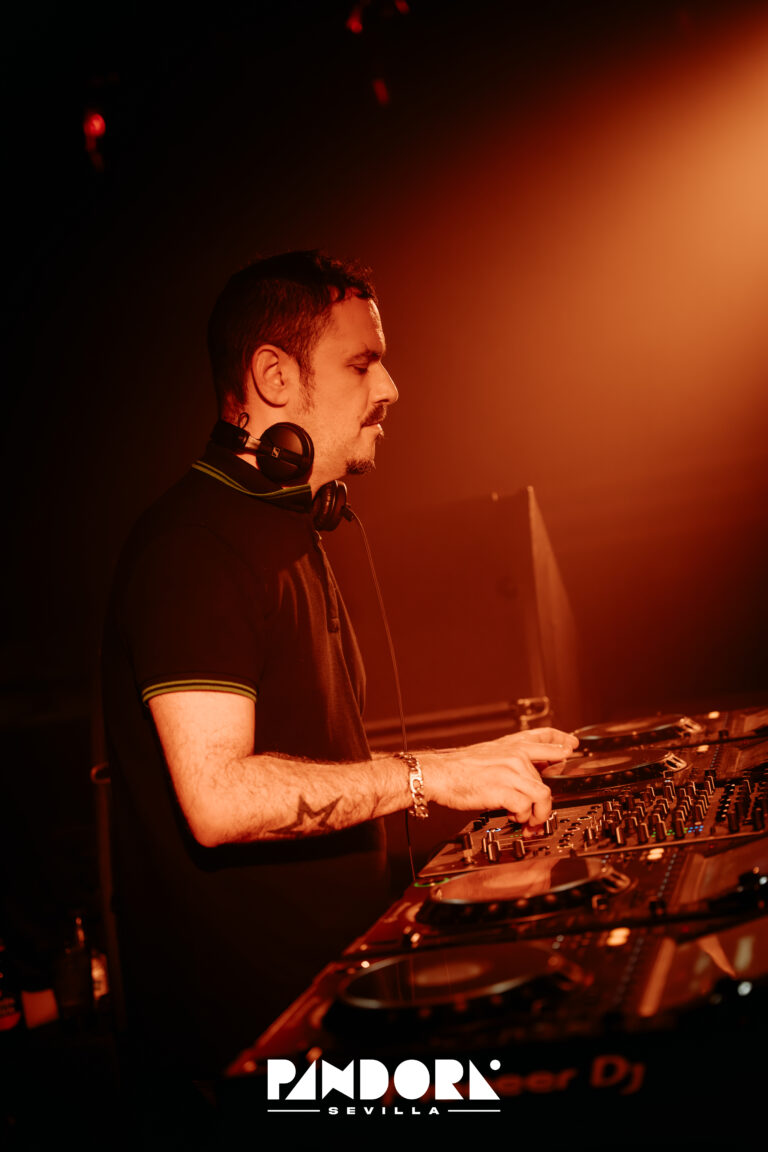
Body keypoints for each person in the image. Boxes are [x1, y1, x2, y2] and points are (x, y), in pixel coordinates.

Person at [101, 250, 577, 1081]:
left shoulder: (289, 531)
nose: (389, 387)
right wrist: (431, 776)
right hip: (257, 1059)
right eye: (362, 363)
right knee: (540, 1093)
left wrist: (462, 784)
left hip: (336, 1009)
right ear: (275, 377)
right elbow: (218, 799)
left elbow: (315, 766)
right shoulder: (193, 548)